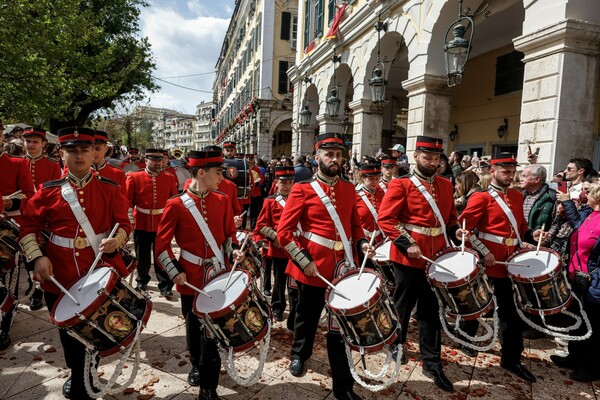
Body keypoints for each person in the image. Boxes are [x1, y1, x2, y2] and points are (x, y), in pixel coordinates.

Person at [18, 126, 130, 400]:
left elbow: (124, 224)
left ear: (94, 153)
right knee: (67, 328)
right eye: (72, 151)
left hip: (99, 269)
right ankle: (76, 370)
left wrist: (117, 241)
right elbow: (28, 227)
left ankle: (90, 368)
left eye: (84, 150)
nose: (78, 156)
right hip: (60, 272)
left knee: (97, 324)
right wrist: (37, 257)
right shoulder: (47, 191)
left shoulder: (110, 188)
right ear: (61, 154)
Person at [277, 132, 373, 400]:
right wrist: (304, 261)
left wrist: (362, 243)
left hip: (341, 269)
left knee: (339, 327)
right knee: (306, 318)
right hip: (311, 268)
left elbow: (354, 224)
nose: (335, 159)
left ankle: (343, 386)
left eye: (339, 155)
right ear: (317, 156)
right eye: (329, 154)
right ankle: (299, 354)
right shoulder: (302, 189)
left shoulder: (348, 188)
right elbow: (284, 233)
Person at [155, 150, 243, 399]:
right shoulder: (175, 204)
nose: (222, 177)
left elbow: (228, 236)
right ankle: (196, 362)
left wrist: (234, 251)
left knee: (214, 329)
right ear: (201, 173)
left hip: (218, 273)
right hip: (190, 278)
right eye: (218, 172)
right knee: (194, 327)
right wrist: (175, 272)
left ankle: (209, 386)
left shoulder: (222, 199)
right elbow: (161, 247)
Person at [378, 135, 462, 393]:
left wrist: (456, 231)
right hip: (406, 257)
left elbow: (450, 218)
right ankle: (396, 346)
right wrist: (407, 243)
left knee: (431, 310)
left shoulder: (447, 185)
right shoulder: (401, 184)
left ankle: (432, 362)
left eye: (437, 158)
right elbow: (386, 220)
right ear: (415, 156)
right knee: (402, 307)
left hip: (435, 258)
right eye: (428, 157)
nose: (433, 163)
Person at [459, 153, 544, 383]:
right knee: (478, 305)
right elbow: (464, 230)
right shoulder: (481, 197)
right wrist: (482, 252)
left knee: (510, 312)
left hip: (511, 263)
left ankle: (511, 358)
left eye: (512, 171)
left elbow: (521, 225)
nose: (510, 175)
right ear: (493, 172)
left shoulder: (517, 196)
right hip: (488, 263)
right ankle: (465, 337)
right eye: (505, 171)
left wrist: (531, 233)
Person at [550, 182, 600, 382]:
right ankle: (575, 357)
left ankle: (593, 367)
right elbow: (577, 223)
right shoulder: (590, 214)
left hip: (594, 283)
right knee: (578, 321)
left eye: (588, 191)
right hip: (578, 279)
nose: (584, 193)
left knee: (595, 327)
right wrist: (568, 202)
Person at [0, 120, 35, 350]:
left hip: (6, 230)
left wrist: (7, 201)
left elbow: (29, 196)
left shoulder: (16, 163)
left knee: (6, 279)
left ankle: (3, 325)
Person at [126, 148, 178, 296]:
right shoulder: (134, 177)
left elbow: (174, 200)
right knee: (142, 255)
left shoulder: (168, 177)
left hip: (162, 222)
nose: (157, 163)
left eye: (160, 160)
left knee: (162, 254)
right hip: (141, 221)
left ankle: (165, 284)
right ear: (146, 160)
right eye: (154, 160)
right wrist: (129, 219)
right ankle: (142, 280)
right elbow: (128, 201)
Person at [22, 127, 62, 311]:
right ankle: (31, 287)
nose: (31, 145)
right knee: (26, 255)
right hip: (20, 217)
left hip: (43, 219)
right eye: (28, 141)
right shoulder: (17, 162)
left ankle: (38, 291)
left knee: (42, 253)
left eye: (35, 142)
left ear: (43, 144)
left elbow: (56, 193)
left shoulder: (53, 165)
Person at [254, 166, 298, 327]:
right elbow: (261, 225)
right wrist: (275, 237)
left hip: (296, 248)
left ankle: (294, 311)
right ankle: (278, 308)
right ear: (276, 183)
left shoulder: (300, 199)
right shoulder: (270, 201)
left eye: (290, 182)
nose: (287, 186)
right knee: (279, 281)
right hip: (279, 249)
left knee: (295, 285)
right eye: (283, 182)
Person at [520, 164, 556, 231]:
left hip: (539, 239)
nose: (520, 179)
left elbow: (556, 223)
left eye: (524, 176)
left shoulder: (551, 197)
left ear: (537, 179)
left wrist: (546, 238)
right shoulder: (520, 196)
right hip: (521, 239)